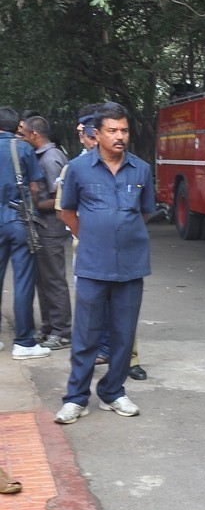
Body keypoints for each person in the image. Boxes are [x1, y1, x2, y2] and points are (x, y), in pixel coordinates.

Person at [54, 102, 155, 424]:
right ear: (96, 134)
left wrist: (119, 233)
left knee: (124, 336)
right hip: (93, 266)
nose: (119, 136)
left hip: (131, 266)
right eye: (112, 130)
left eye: (124, 130)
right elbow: (66, 211)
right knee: (86, 335)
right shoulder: (78, 169)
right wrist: (95, 236)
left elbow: (145, 211)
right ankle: (76, 398)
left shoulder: (141, 169)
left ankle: (113, 392)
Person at [0, 106, 50, 359]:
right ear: (16, 126)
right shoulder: (23, 149)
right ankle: (24, 343)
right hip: (19, 221)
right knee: (23, 282)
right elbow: (33, 187)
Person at [22, 115, 72, 349]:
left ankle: (62, 331)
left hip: (50, 228)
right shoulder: (41, 156)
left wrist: (31, 205)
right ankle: (49, 327)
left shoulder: (51, 159)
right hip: (42, 228)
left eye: (23, 134)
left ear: (34, 134)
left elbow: (59, 199)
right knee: (43, 280)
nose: (21, 138)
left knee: (53, 280)